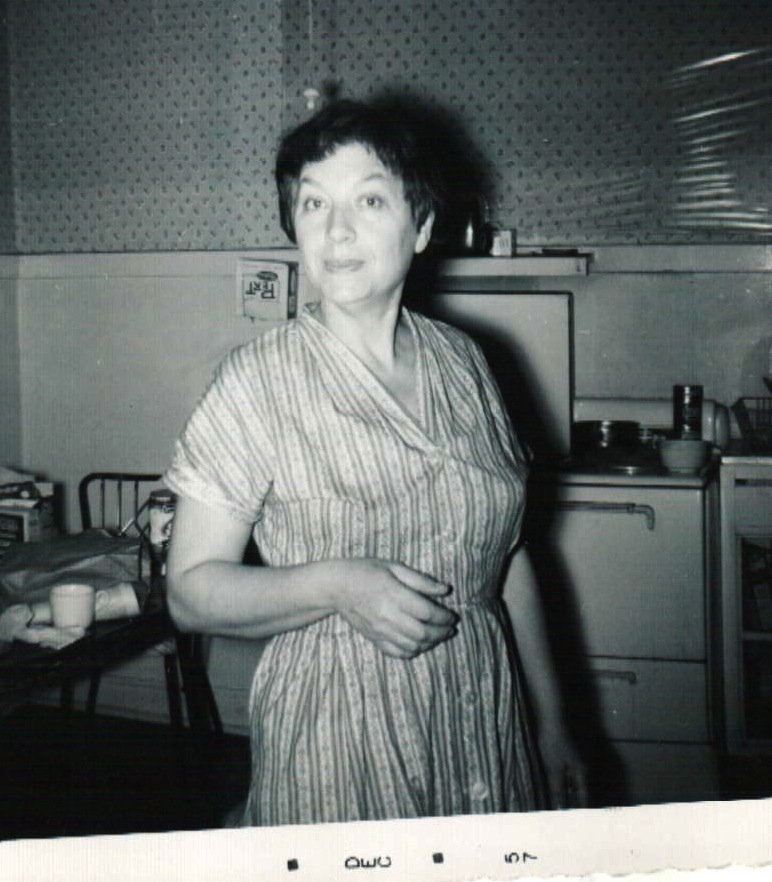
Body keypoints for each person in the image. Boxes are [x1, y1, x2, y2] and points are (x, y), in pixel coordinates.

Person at [164, 99, 588, 826]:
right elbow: (191, 594)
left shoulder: (469, 364)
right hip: (336, 733)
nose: (336, 230)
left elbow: (504, 556)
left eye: (368, 200)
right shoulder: (256, 381)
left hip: (482, 719)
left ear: (420, 226)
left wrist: (552, 721)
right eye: (313, 203)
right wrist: (337, 584)